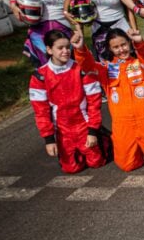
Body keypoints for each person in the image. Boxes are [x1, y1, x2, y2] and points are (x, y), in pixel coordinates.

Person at [74, 28, 144, 171]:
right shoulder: (106, 68)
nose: (121, 49)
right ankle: (143, 147)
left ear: (129, 43)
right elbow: (87, 65)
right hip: (122, 124)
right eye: (116, 47)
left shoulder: (139, 64)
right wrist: (80, 50)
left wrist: (139, 41)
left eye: (123, 45)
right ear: (110, 49)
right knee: (127, 166)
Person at [29, 30, 106, 174]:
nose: (65, 51)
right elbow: (41, 112)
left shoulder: (82, 69)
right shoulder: (39, 76)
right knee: (71, 169)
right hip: (62, 130)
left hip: (84, 125)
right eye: (60, 48)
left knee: (97, 162)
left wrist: (92, 131)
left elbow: (94, 103)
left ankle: (104, 139)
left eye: (67, 47)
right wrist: (49, 140)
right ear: (49, 49)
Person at [9, 0, 75, 68]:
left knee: (65, 62)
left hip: (62, 30)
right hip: (40, 31)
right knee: (44, 64)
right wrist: (13, 5)